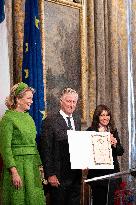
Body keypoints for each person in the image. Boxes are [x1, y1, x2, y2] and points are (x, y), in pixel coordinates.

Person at [0, 82, 45, 205]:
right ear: (18, 99)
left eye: (32, 98)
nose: (31, 101)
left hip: (32, 167)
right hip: (17, 167)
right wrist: (13, 172)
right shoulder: (7, 119)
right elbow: (5, 148)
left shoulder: (29, 118)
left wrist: (40, 166)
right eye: (29, 98)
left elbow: (33, 145)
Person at [39, 88, 82, 205]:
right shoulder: (50, 121)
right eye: (68, 101)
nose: (71, 104)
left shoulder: (77, 121)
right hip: (58, 176)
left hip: (75, 176)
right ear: (61, 101)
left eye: (74, 102)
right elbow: (45, 150)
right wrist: (50, 174)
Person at [87, 104, 124, 205]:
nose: (105, 118)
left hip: (113, 174)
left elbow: (121, 152)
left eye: (107, 115)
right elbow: (87, 152)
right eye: (102, 115)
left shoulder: (113, 131)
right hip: (98, 176)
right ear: (97, 117)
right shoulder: (90, 131)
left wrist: (115, 144)